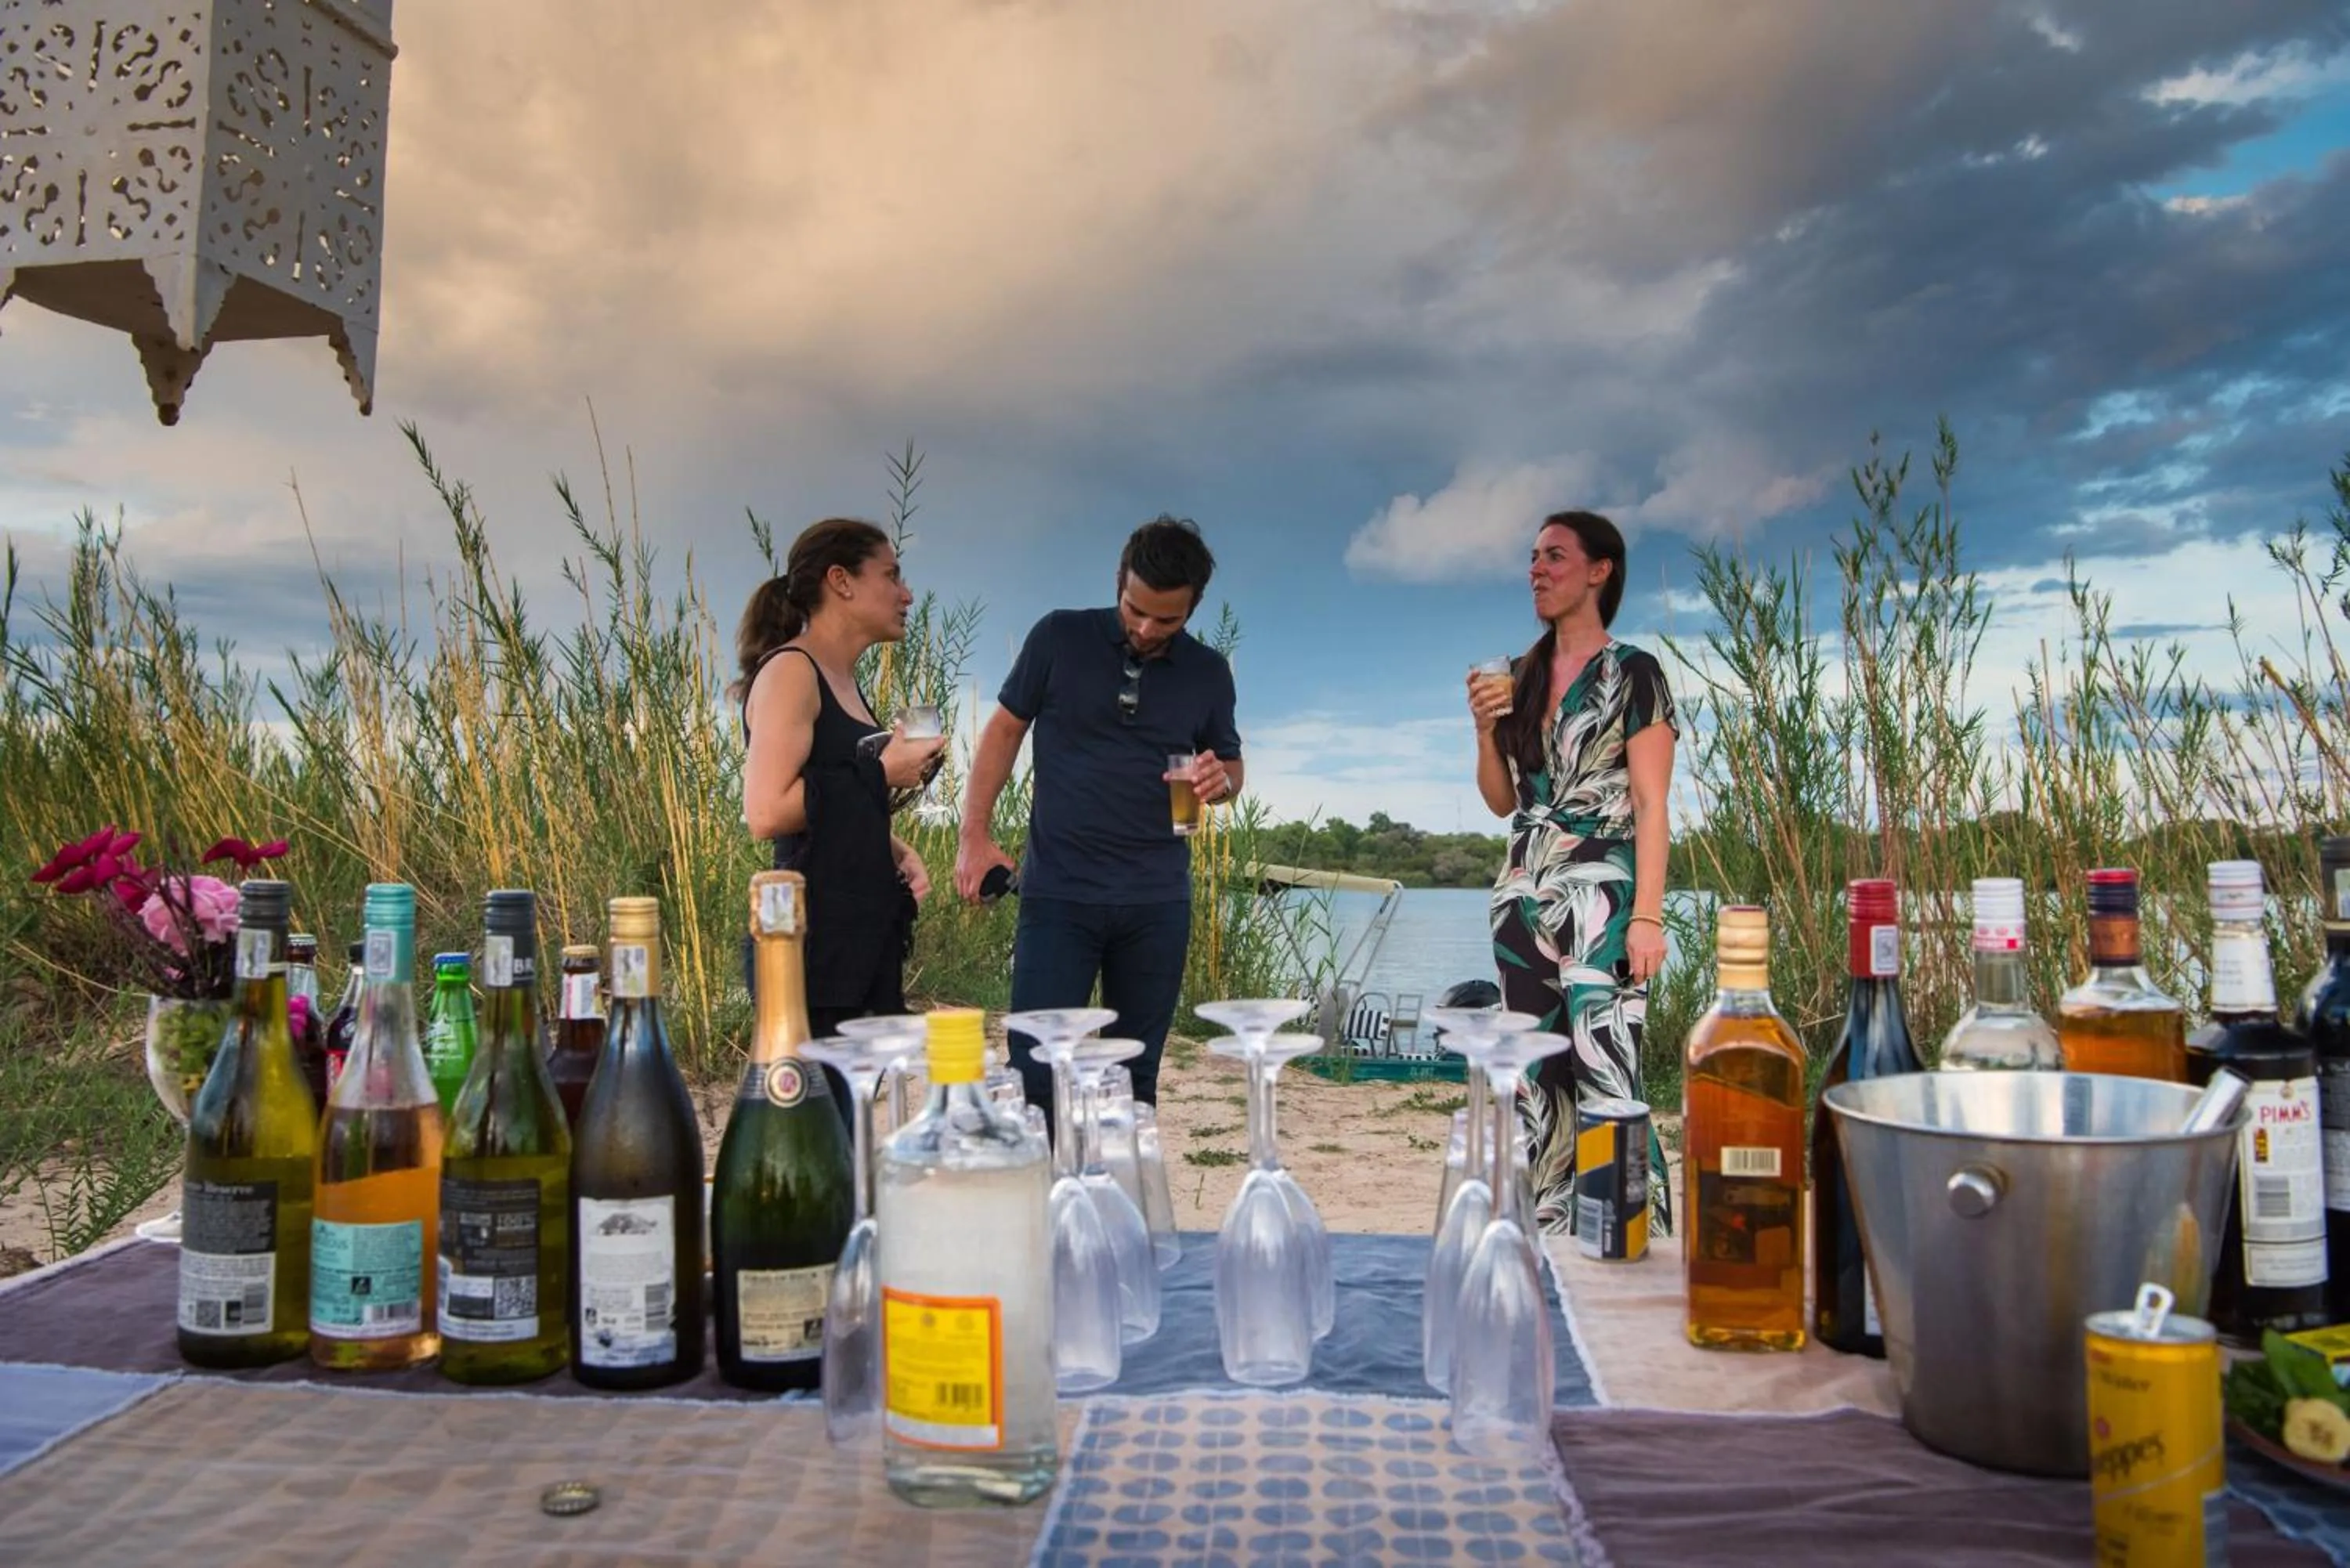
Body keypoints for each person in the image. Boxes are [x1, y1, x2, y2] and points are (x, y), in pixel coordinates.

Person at [956, 515, 1243, 1112]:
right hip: (1058, 895)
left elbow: (1232, 768)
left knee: (1132, 1083)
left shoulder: (1208, 673)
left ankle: (1113, 1205)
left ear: (1193, 608)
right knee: (1035, 1073)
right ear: (1119, 581)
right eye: (1134, 608)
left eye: (1167, 620)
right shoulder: (1059, 637)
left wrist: (1221, 781)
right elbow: (1005, 731)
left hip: (1157, 903)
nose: (1144, 628)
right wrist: (974, 834)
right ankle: (1041, 1206)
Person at [1469, 510, 1678, 1238]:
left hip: (1601, 900)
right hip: (1522, 898)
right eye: (1532, 558)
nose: (1537, 569)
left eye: (1555, 556)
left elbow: (1652, 804)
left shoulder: (1635, 673)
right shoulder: (1519, 675)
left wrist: (1648, 917)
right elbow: (1502, 802)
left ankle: (1636, 1240)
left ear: (1599, 570)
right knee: (1540, 1087)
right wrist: (1485, 732)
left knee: (1608, 1075)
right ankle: (1557, 1242)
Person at [736, 518, 946, 1117]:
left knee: (847, 1128)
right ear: (841, 582)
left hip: (856, 939)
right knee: (815, 1132)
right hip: (808, 946)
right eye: (892, 575)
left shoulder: (843, 679)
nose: (906, 594)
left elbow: (826, 804)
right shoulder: (791, 672)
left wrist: (890, 845)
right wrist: (882, 773)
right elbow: (767, 810)